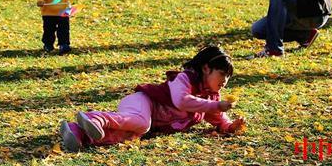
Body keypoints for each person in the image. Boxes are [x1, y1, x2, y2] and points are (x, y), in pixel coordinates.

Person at [60, 46, 244, 152]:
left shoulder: (210, 98)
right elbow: (182, 101)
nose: (225, 80)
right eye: (222, 74)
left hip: (148, 123)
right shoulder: (184, 79)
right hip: (143, 101)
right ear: (205, 68)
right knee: (141, 123)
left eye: (228, 76)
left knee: (131, 135)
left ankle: (79, 133)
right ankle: (95, 118)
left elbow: (218, 117)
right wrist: (216, 105)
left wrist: (230, 126)